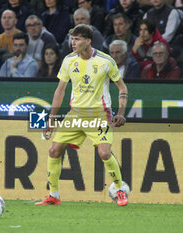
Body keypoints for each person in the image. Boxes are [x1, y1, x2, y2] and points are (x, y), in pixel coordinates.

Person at [35, 24, 129, 206]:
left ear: (88, 41)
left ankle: (120, 190)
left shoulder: (105, 61)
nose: (73, 42)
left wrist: (121, 112)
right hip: (75, 114)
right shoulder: (69, 60)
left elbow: (122, 87)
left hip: (99, 114)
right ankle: (53, 195)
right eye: (72, 38)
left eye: (77, 39)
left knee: (104, 152)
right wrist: (51, 118)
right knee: (54, 150)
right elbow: (60, 90)